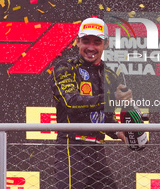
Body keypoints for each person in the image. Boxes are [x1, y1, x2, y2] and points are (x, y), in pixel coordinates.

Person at [50, 17, 132, 189]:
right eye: (85, 41)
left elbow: (105, 117)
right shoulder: (65, 67)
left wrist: (121, 132)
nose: (91, 47)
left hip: (97, 150)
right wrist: (111, 98)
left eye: (97, 42)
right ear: (77, 42)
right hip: (72, 147)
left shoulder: (110, 74)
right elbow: (71, 102)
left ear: (105, 44)